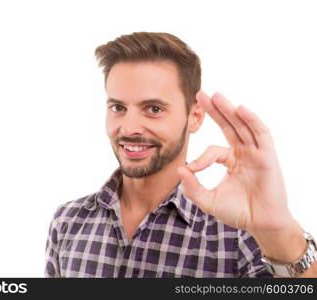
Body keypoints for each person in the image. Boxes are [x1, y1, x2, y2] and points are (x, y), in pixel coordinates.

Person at [44, 32, 317, 277]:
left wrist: (278, 231)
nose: (128, 128)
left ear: (195, 116)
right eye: (118, 107)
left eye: (153, 109)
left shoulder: (238, 235)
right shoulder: (68, 221)